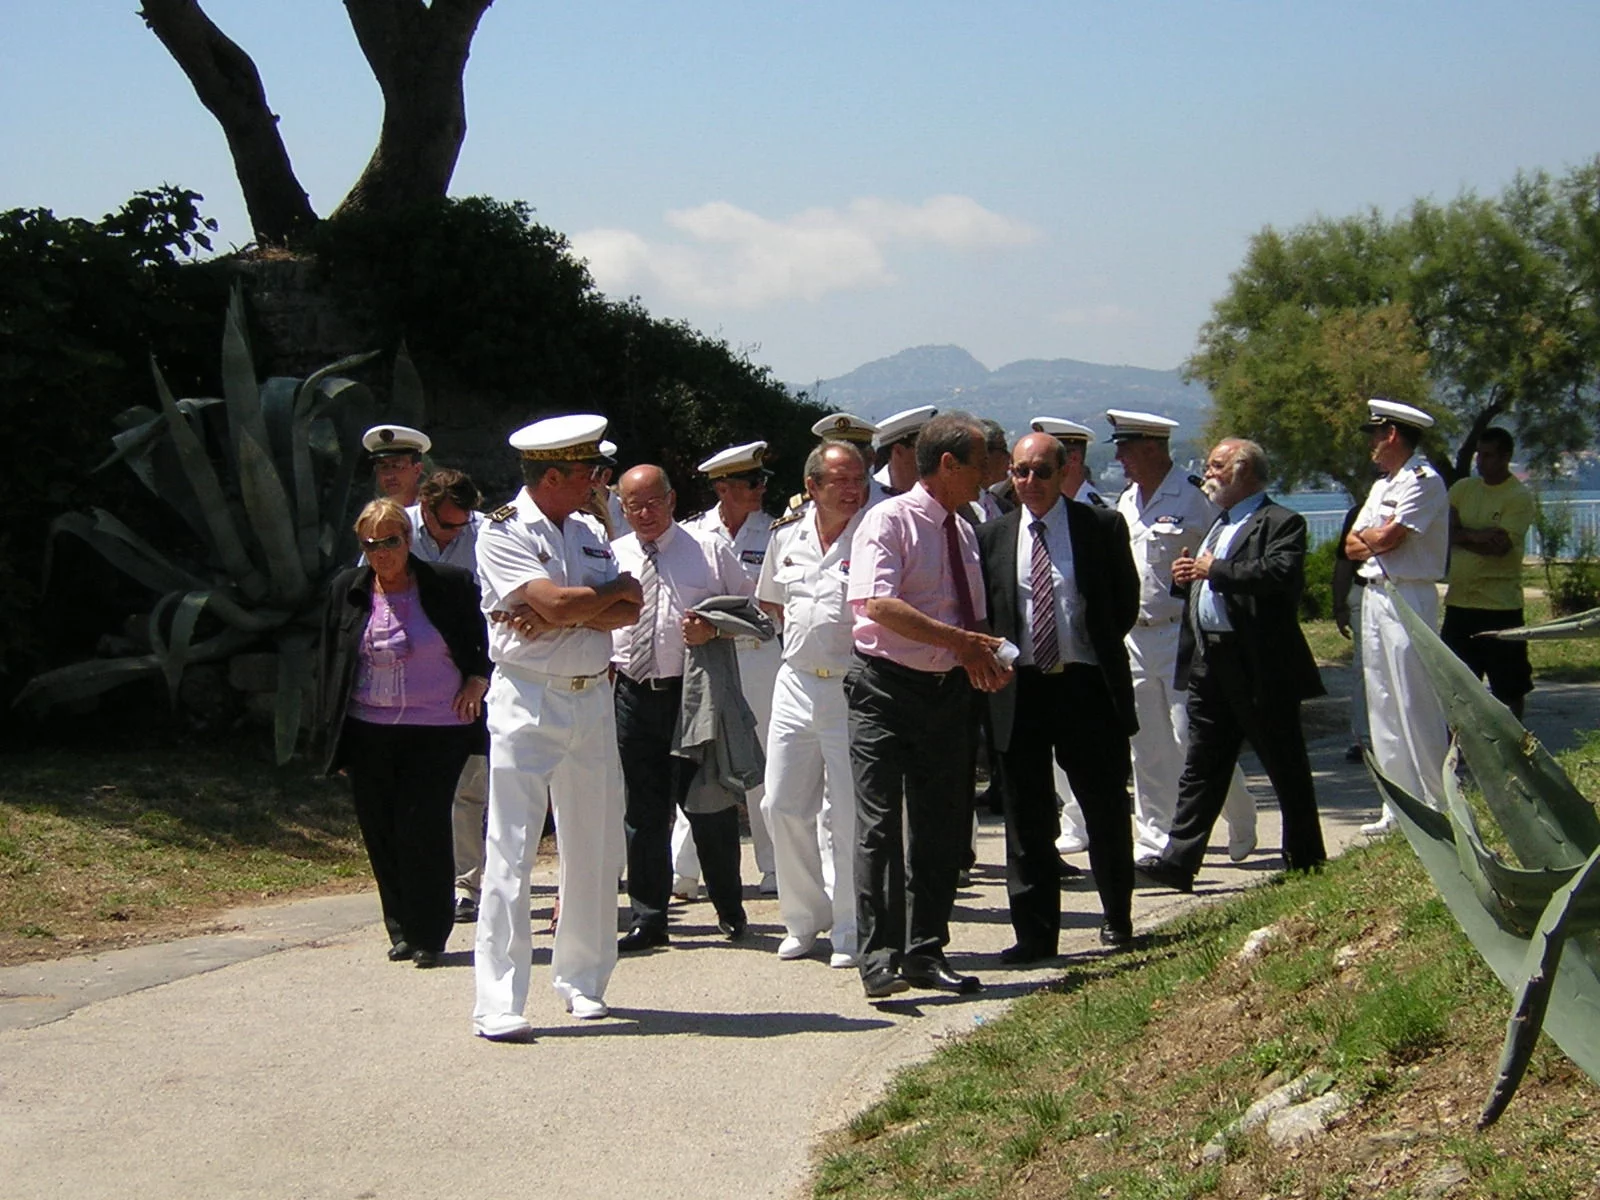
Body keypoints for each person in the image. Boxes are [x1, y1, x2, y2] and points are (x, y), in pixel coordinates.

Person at [472, 415, 641, 1040]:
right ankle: (498, 1000)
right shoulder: (501, 531)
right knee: (511, 850)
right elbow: (560, 602)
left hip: (593, 696)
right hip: (529, 697)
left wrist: (567, 611)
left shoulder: (592, 532)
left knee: (595, 846)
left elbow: (632, 606)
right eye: (587, 473)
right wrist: (579, 606)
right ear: (552, 476)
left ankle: (584, 979)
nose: (598, 483)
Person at [846, 411, 1012, 999]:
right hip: (885, 691)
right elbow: (876, 604)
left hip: (947, 696)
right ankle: (879, 956)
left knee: (942, 826)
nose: (989, 476)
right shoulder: (888, 521)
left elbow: (969, 611)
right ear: (948, 465)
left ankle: (925, 951)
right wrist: (960, 643)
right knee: (879, 826)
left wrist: (983, 654)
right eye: (980, 465)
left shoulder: (965, 528)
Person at [1136, 440, 1328, 892]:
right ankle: (1178, 861)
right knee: (1202, 765)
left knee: (1284, 763)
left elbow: (1278, 576)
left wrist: (1213, 570)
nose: (1209, 472)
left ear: (1244, 472)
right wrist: (1189, 579)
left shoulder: (1281, 522)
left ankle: (1305, 856)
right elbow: (1211, 579)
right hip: (1210, 662)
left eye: (1218, 466)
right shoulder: (1218, 524)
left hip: (1258, 665)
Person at [976, 432, 1140, 961]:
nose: (1028, 483)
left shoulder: (1100, 526)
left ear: (1065, 470)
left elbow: (1124, 603)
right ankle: (1036, 933)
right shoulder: (993, 537)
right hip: (1020, 689)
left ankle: (1117, 916)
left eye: (1040, 472)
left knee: (1104, 807)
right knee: (1026, 819)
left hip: (1085, 685)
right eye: (1019, 473)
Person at [315, 498, 489, 970]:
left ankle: (431, 934)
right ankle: (402, 930)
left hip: (437, 728)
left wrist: (478, 678)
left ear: (407, 540)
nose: (382, 553)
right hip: (369, 728)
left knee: (424, 827)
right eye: (371, 545)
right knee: (381, 830)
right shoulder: (347, 589)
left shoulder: (448, 585)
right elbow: (332, 661)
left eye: (390, 541)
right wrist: (336, 735)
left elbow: (483, 640)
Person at [1108, 409, 1257, 869]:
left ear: (1152, 447)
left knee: (1190, 736)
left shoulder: (1195, 499)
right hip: (1135, 636)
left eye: (1126, 448)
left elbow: (1224, 555)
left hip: (1180, 635)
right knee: (1146, 744)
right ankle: (1155, 838)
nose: (1120, 458)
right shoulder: (1126, 501)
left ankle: (1239, 815)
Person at [612, 465, 751, 952]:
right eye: (633, 505)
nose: (644, 514)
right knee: (644, 812)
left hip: (692, 696)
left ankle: (729, 908)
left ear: (671, 500)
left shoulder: (707, 550)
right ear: (621, 507)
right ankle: (649, 917)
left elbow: (753, 612)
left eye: (653, 502)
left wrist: (714, 630)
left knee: (708, 806)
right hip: (631, 694)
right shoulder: (615, 555)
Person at [757, 441, 868, 968]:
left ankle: (850, 926)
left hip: (852, 687)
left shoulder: (873, 532)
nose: (852, 489)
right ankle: (804, 918)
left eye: (857, 479)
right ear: (812, 487)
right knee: (779, 803)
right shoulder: (786, 537)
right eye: (839, 481)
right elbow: (772, 603)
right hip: (796, 682)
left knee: (846, 812)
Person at [674, 441, 782, 897]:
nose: (760, 489)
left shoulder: (777, 531)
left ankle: (775, 865)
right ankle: (683, 870)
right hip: (709, 662)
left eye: (762, 482)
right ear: (723, 487)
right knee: (697, 756)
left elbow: (773, 607)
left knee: (764, 763)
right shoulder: (692, 535)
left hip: (762, 659)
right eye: (750, 483)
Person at [1345, 398, 1450, 834]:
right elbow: (1351, 546)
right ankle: (1399, 807)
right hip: (1374, 595)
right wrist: (1373, 539)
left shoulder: (1423, 481)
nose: (1371, 443)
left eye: (1375, 433)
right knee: (1382, 702)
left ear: (1392, 434)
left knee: (1414, 698)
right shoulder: (1383, 485)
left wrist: (1373, 539)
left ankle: (1437, 802)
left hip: (1409, 594)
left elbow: (1389, 537)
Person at [408, 468, 492, 923]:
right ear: (424, 508)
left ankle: (466, 885)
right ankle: (421, 883)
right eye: (448, 525)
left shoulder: (486, 535)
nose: (458, 531)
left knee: (468, 787)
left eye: (464, 522)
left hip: (468, 676)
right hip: (409, 682)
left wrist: (479, 675)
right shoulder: (393, 531)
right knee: (416, 788)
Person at [1443, 426, 1535, 719]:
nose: (1480, 462)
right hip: (1460, 604)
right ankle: (1461, 748)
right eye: (1478, 455)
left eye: (1488, 455)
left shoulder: (1518, 497)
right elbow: (1443, 532)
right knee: (1455, 685)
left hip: (1500, 607)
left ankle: (1514, 751)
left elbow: (1500, 547)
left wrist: (1462, 535)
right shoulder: (1462, 489)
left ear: (1506, 457)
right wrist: (1477, 536)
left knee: (1509, 687)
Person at [1330, 504, 1372, 764]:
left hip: (1403, 590)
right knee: (1364, 669)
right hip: (1364, 590)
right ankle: (1363, 738)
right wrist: (1339, 604)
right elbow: (1345, 560)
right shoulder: (1360, 512)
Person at [871, 406, 936, 495]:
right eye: (925, 448)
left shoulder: (940, 490)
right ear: (899, 451)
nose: (935, 454)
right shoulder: (871, 494)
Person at [362, 424, 429, 506]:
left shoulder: (434, 511)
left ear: (417, 469)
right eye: (383, 467)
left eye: (397, 466)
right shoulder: (377, 515)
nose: (389, 476)